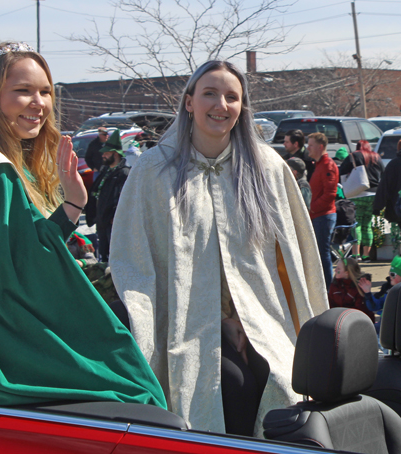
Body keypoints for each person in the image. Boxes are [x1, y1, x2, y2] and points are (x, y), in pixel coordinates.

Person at [0, 42, 166, 409]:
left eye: (45, 92)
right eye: (22, 91)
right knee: (133, 385)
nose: (39, 103)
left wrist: (70, 208)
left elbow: (6, 256)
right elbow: (21, 272)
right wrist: (73, 207)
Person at [110, 60, 328, 437]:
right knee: (226, 386)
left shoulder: (266, 168)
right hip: (185, 324)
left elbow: (295, 258)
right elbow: (134, 259)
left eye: (232, 97)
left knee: (278, 381)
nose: (221, 105)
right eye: (209, 93)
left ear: (242, 107)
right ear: (189, 102)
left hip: (261, 317)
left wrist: (248, 319)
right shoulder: (153, 170)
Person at [86, 129, 130, 262]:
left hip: (113, 222)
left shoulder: (124, 173)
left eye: (106, 153)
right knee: (103, 254)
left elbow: (125, 199)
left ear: (115, 154)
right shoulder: (105, 171)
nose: (103, 155)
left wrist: (115, 216)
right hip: (101, 220)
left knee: (115, 256)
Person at [339, 140, 385, 262]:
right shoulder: (376, 157)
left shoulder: (353, 156)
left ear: (358, 147)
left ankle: (355, 255)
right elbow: (383, 173)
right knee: (367, 225)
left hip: (358, 194)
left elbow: (341, 172)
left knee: (357, 224)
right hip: (373, 194)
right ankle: (366, 255)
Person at [308, 132, 339, 289]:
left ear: (320, 147)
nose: (308, 148)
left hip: (323, 216)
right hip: (317, 216)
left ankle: (328, 288)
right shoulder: (319, 164)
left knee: (323, 253)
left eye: (311, 145)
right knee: (320, 253)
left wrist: (312, 208)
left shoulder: (327, 166)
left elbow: (330, 194)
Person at [359, 255, 401, 334]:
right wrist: (367, 292)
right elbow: (375, 306)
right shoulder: (388, 289)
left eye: (393, 274)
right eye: (389, 273)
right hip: (384, 326)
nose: (390, 276)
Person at [328, 257, 375, 323]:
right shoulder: (334, 285)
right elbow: (330, 305)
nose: (335, 270)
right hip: (337, 321)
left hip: (355, 323)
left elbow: (361, 311)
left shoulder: (359, 288)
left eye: (338, 269)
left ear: (347, 273)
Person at [373, 138, 401, 226]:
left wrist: (377, 207)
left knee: (397, 237)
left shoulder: (394, 164)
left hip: (397, 209)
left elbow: (384, 186)